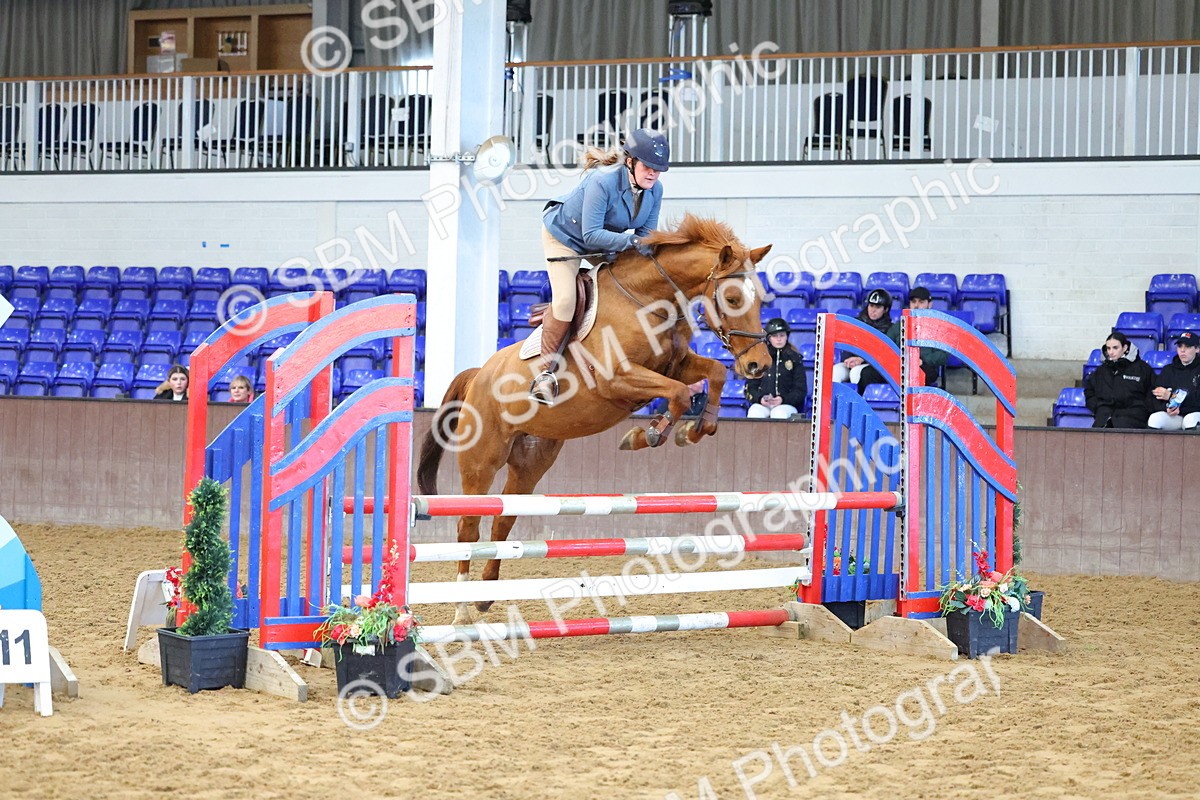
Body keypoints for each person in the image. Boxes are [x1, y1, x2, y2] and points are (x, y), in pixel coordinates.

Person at [531, 127, 669, 404]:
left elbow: (645, 236)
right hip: (566, 239)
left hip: (605, 243)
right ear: (630, 162)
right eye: (647, 166)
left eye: (658, 169)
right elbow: (591, 235)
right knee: (567, 299)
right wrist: (632, 242)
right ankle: (544, 374)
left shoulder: (655, 190)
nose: (653, 173)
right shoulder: (601, 181)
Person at [857, 286, 948, 391]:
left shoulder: (937, 327)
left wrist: (923, 361)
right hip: (899, 365)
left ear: (929, 304)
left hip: (924, 366)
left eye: (921, 302)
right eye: (913, 302)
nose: (917, 306)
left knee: (917, 376)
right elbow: (885, 346)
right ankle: (864, 405)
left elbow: (943, 355)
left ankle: (912, 406)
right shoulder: (899, 325)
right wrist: (896, 359)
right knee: (867, 373)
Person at [1084, 331, 1153, 429]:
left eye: (1115, 348)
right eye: (1108, 348)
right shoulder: (1100, 371)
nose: (1111, 352)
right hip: (1103, 420)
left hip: (1133, 421)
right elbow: (1089, 392)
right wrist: (1098, 407)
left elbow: (1152, 393)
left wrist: (1142, 410)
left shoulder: (1143, 369)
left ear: (1125, 348)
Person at [744, 318, 807, 419]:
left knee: (778, 413)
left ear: (787, 337)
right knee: (754, 412)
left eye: (782, 335)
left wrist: (783, 399)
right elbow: (750, 387)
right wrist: (760, 399)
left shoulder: (795, 359)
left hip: (787, 405)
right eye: (775, 336)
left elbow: (801, 390)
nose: (779, 339)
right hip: (763, 404)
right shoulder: (759, 358)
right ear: (769, 338)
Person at [831, 288, 892, 384]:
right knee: (835, 371)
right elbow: (847, 344)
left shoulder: (890, 329)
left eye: (878, 307)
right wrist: (847, 360)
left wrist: (862, 360)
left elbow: (883, 354)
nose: (873, 310)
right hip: (851, 362)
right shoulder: (856, 323)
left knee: (856, 373)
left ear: (886, 309)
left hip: (871, 366)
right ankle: (834, 399)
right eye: (871, 305)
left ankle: (856, 399)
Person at [1148, 331, 1200, 430]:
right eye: (1180, 346)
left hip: (1194, 413)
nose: (1183, 350)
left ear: (1197, 349)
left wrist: (1172, 397)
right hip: (1174, 415)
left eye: (1188, 347)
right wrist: (1167, 407)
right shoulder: (1168, 370)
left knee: (1190, 420)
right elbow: (1153, 397)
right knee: (1155, 419)